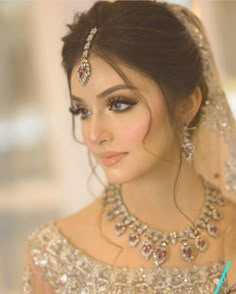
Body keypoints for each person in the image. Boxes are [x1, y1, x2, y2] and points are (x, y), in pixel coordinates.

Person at [21, 1, 236, 293]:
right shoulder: (54, 256)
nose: (94, 134)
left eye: (119, 104)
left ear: (187, 104)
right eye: (82, 111)